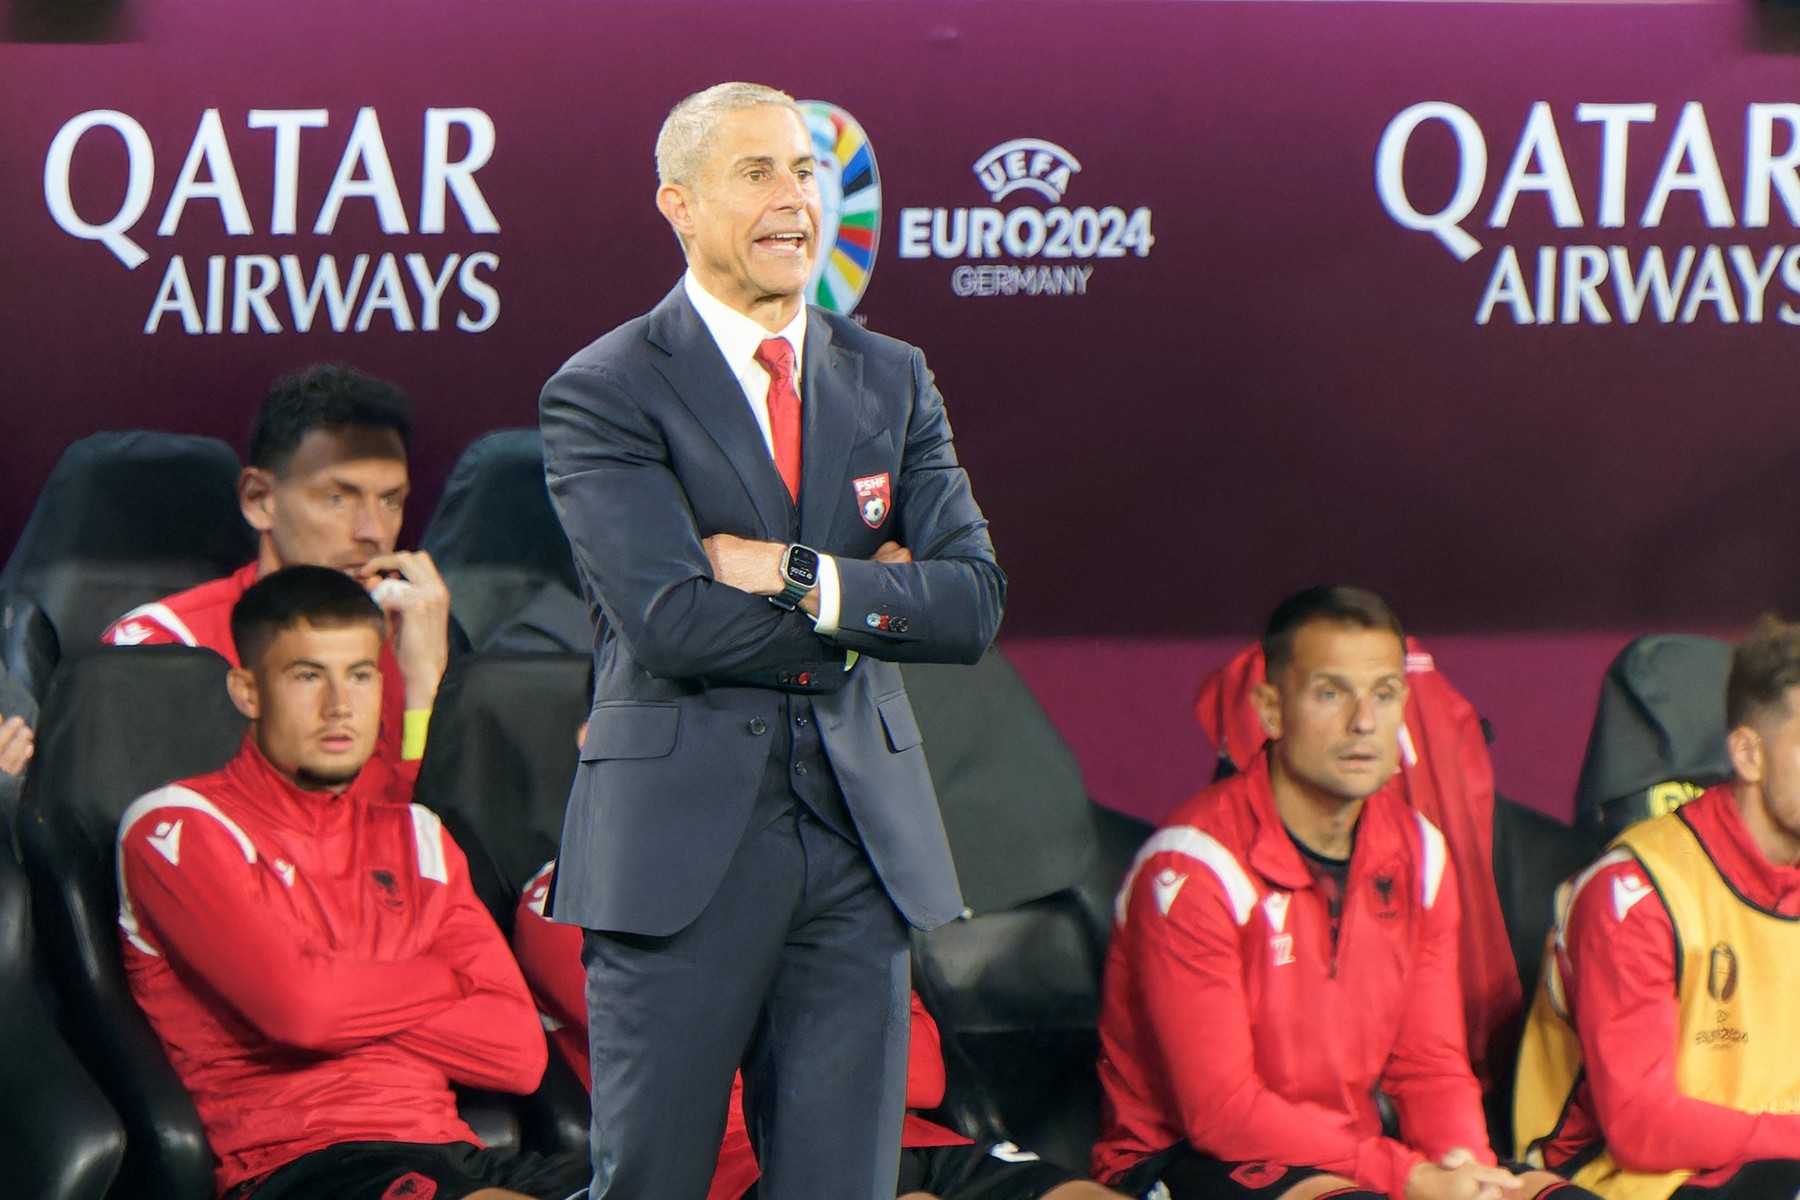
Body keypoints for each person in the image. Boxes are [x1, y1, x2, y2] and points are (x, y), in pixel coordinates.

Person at [538, 81, 1005, 1200]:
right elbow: (673, 621)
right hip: (680, 855)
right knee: (650, 1182)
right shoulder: (604, 391)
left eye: (806, 171)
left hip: (857, 848)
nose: (795, 199)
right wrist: (874, 612)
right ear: (680, 206)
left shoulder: (891, 376)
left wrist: (803, 576)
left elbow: (974, 602)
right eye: (757, 173)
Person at [116, 566, 585, 1200]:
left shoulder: (416, 836)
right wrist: (443, 982)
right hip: (303, 1166)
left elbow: (518, 1056)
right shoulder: (179, 827)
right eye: (308, 676)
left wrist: (336, 984)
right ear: (248, 690)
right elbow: (302, 1013)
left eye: (361, 675)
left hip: (455, 1156)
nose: (340, 706)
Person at [1093, 587, 1572, 1200]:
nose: (1364, 722)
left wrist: (1467, 1171)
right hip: (1183, 1160)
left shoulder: (1419, 853)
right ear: (1270, 710)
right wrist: (1408, 1177)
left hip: (1351, 1160)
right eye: (1330, 693)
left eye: (1385, 693)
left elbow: (1430, 1065)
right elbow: (1222, 1113)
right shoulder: (1192, 867)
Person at [512, 860, 1135, 1200]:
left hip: (907, 1140)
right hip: (743, 1162)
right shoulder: (564, 891)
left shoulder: (814, 876)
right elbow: (673, 1040)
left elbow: (918, 1073)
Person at [1515, 617, 1800, 1200]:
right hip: (1615, 1180)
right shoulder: (1638, 892)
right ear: (1748, 755)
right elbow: (1642, 1129)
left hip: (1766, 1161)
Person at [102, 363, 451, 768]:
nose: (372, 531)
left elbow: (420, 827)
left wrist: (426, 687)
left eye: (391, 501)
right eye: (338, 498)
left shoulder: (414, 643)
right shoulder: (162, 646)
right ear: (259, 498)